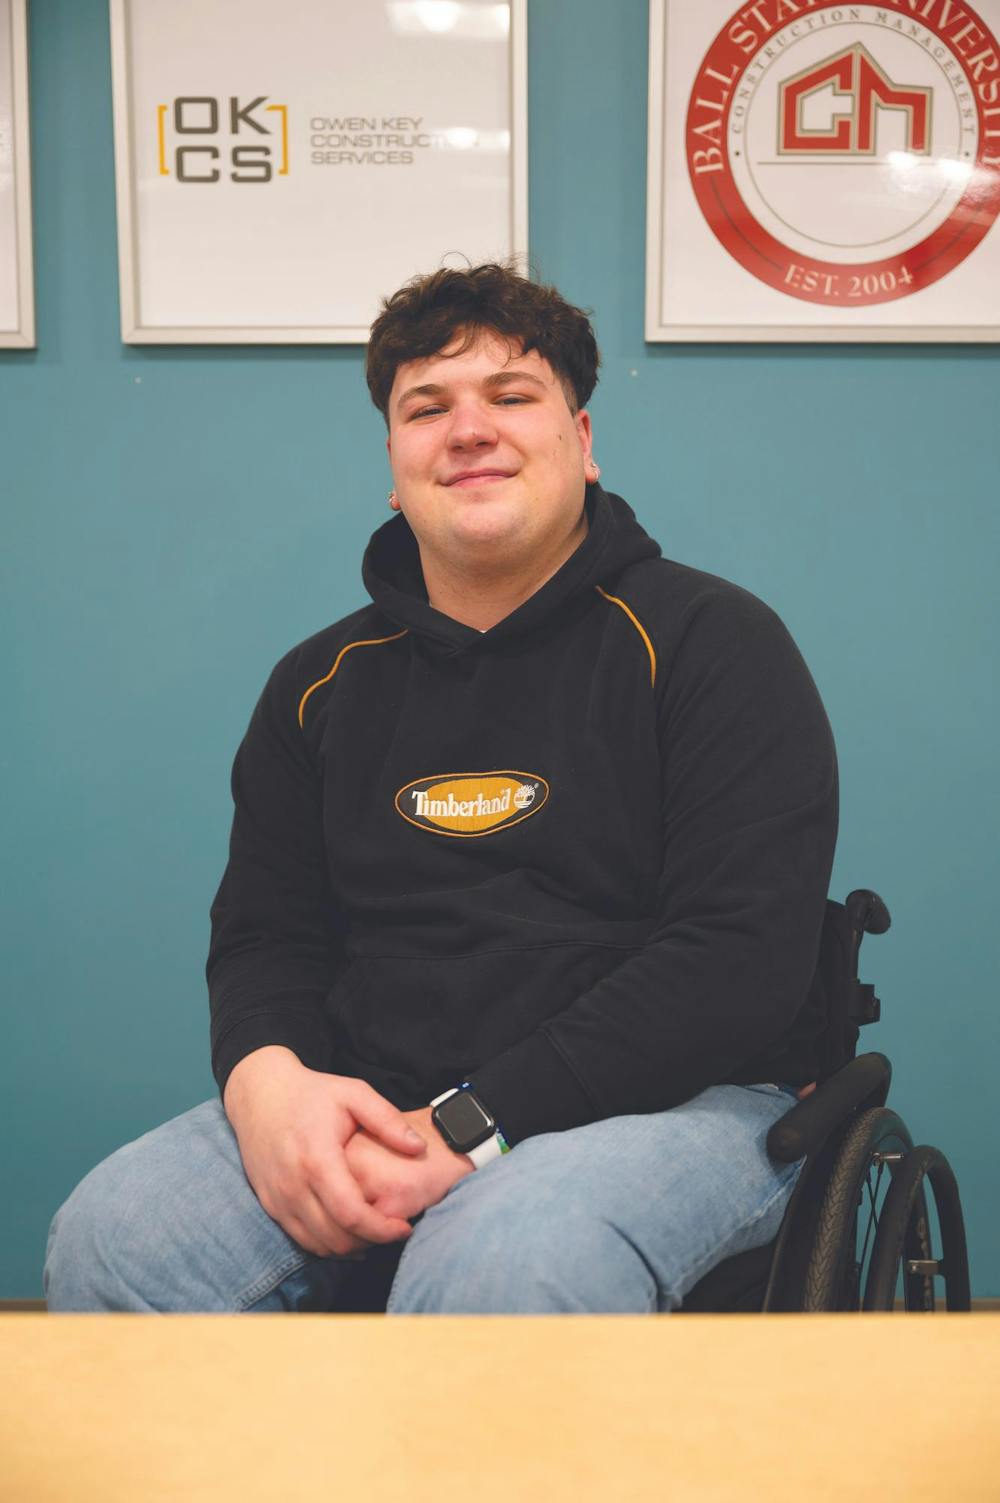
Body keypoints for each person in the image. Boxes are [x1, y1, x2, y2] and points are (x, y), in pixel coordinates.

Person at [44, 263, 835, 1314]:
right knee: (117, 1234)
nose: (468, 430)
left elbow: (735, 960)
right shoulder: (318, 685)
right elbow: (265, 940)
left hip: (680, 1104)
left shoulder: (711, 643)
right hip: (382, 1094)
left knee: (502, 1257)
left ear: (583, 442)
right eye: (428, 407)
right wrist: (269, 1090)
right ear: (393, 462)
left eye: (510, 396)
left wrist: (468, 1126)